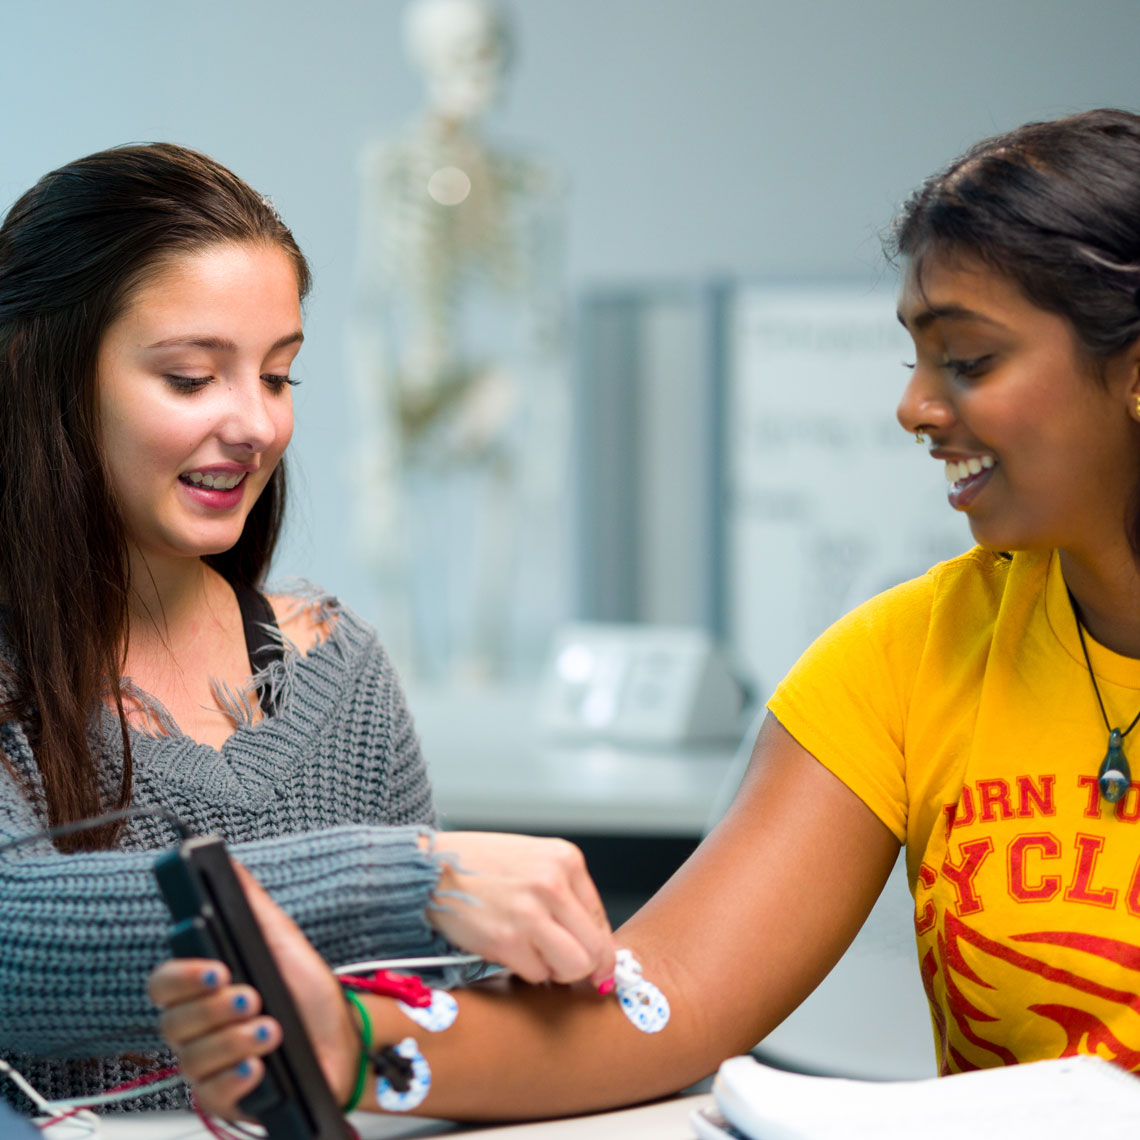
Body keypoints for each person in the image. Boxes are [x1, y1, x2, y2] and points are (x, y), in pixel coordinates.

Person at [154, 106, 1140, 1122]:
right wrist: (350, 1039)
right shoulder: (904, 656)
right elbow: (669, 990)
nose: (916, 409)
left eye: (970, 361)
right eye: (915, 361)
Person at [0, 143, 615, 1115]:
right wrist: (409, 878)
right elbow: (13, 946)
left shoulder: (338, 665)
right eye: (194, 378)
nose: (256, 425)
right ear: (47, 379)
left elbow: (428, 1008)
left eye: (279, 376)